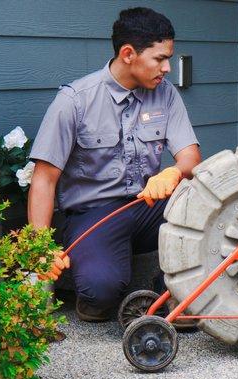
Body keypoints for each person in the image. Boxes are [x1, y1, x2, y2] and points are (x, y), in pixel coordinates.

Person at [28, 7, 201, 322]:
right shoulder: (75, 101)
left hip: (149, 205)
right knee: (101, 289)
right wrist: (41, 251)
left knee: (206, 211)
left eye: (168, 59)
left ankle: (171, 294)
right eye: (159, 59)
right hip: (95, 214)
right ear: (128, 54)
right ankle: (87, 284)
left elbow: (190, 156)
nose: (166, 68)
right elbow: (44, 178)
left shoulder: (166, 94)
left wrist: (173, 171)